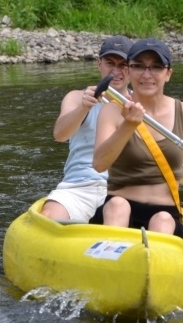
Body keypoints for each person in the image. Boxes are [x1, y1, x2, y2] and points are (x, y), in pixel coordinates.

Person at [91, 38, 183, 237]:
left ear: (168, 73)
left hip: (165, 214)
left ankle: (155, 262)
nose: (147, 74)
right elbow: (99, 164)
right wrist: (128, 125)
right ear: (129, 71)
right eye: (139, 66)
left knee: (162, 220)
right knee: (118, 206)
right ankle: (110, 258)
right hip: (117, 211)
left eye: (156, 67)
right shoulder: (112, 111)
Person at [40, 35, 133, 221]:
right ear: (99, 64)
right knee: (50, 215)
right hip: (79, 186)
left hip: (123, 188)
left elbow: (159, 151)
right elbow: (59, 135)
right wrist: (84, 107)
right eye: (110, 63)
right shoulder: (76, 97)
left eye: (123, 64)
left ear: (133, 68)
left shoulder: (140, 105)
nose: (116, 71)